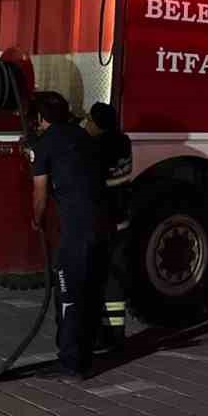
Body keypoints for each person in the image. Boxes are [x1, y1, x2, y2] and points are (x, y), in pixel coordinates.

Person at [28, 91, 110, 378]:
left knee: (68, 295)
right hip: (103, 226)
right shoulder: (83, 136)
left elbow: (39, 195)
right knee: (90, 291)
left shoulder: (44, 144)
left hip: (76, 230)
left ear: (40, 118)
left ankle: (70, 363)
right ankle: (86, 354)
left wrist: (36, 221)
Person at [84, 101, 133, 352]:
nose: (86, 124)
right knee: (115, 280)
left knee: (95, 278)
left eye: (89, 121)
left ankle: (100, 337)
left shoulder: (96, 147)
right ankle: (116, 335)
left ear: (98, 124)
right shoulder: (123, 141)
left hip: (101, 223)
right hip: (121, 219)